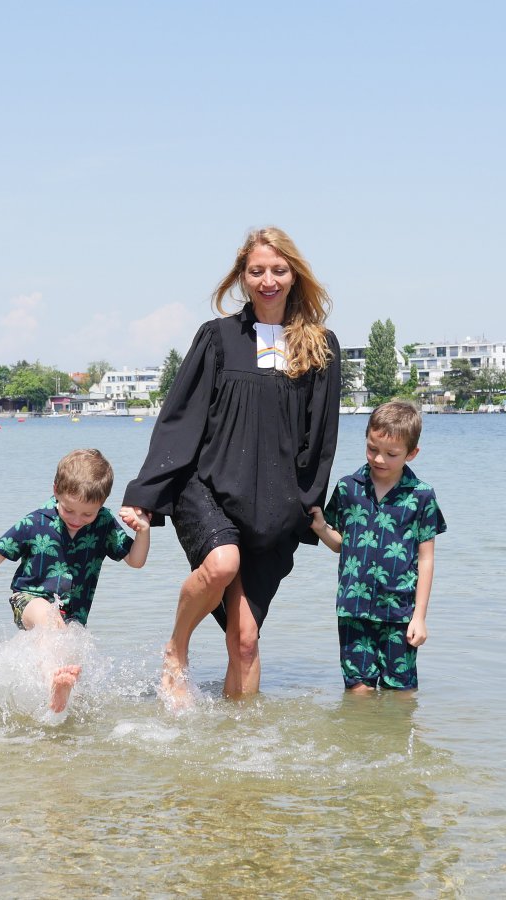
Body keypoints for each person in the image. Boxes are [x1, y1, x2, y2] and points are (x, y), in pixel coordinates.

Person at [123, 226, 342, 707]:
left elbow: (321, 437)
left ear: (295, 275)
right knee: (222, 563)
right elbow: (180, 419)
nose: (268, 280)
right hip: (207, 488)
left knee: (244, 641)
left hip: (273, 507)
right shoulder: (217, 338)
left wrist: (307, 507)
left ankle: (240, 757)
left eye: (278, 270)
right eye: (257, 271)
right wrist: (145, 495)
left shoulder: (321, 346)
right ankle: (176, 648)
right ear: (242, 277)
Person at [0, 449, 150, 712]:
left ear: (102, 504)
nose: (77, 520)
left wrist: (143, 530)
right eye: (69, 510)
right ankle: (53, 685)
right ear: (56, 490)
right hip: (28, 599)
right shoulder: (34, 522)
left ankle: (62, 698)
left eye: (87, 515)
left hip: (73, 615)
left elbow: (135, 561)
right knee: (48, 617)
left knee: (66, 644)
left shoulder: (103, 523)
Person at [309, 401, 447, 692]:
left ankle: (397, 738)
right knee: (357, 692)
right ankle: (359, 738)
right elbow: (341, 546)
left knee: (401, 693)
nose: (379, 459)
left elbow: (426, 560)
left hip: (400, 613)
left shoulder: (421, 496)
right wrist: (322, 528)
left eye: (391, 454)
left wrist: (419, 617)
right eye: (372, 449)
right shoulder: (348, 488)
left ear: (412, 453)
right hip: (352, 609)